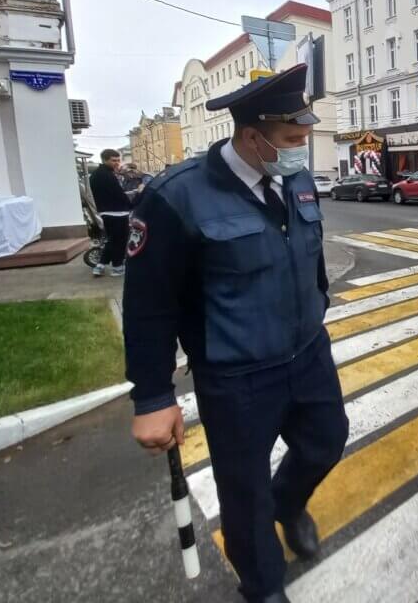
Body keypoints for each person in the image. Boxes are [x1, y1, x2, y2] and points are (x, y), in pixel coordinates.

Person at [123, 64, 348, 603]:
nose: (302, 150)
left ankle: (288, 504)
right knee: (243, 494)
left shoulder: (296, 179)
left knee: (326, 442)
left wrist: (316, 305)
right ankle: (263, 586)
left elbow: (308, 255)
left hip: (307, 353)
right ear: (252, 137)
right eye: (293, 140)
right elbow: (148, 306)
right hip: (237, 376)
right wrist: (153, 396)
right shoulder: (177, 197)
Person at [88, 148, 132, 277]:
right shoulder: (107, 175)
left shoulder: (96, 174)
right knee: (120, 241)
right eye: (114, 160)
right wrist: (133, 203)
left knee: (112, 240)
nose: (117, 163)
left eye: (118, 160)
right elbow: (119, 194)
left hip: (106, 212)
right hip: (117, 212)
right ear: (105, 160)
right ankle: (117, 267)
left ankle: (100, 265)